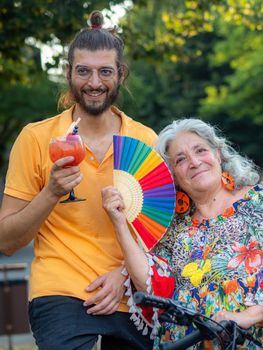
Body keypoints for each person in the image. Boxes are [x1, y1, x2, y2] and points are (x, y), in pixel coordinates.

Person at [0, 11, 156, 350]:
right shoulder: (36, 139)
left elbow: (162, 234)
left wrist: (126, 276)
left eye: (105, 71)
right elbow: (7, 241)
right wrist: (51, 192)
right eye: (83, 71)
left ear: (121, 74)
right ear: (69, 73)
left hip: (132, 293)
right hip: (60, 291)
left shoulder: (146, 143)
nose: (94, 82)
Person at [101, 118, 263, 349]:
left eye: (200, 151)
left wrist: (251, 315)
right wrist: (118, 221)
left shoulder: (258, 202)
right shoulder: (170, 227)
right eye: (181, 160)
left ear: (218, 154)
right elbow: (151, 287)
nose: (195, 162)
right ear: (173, 175)